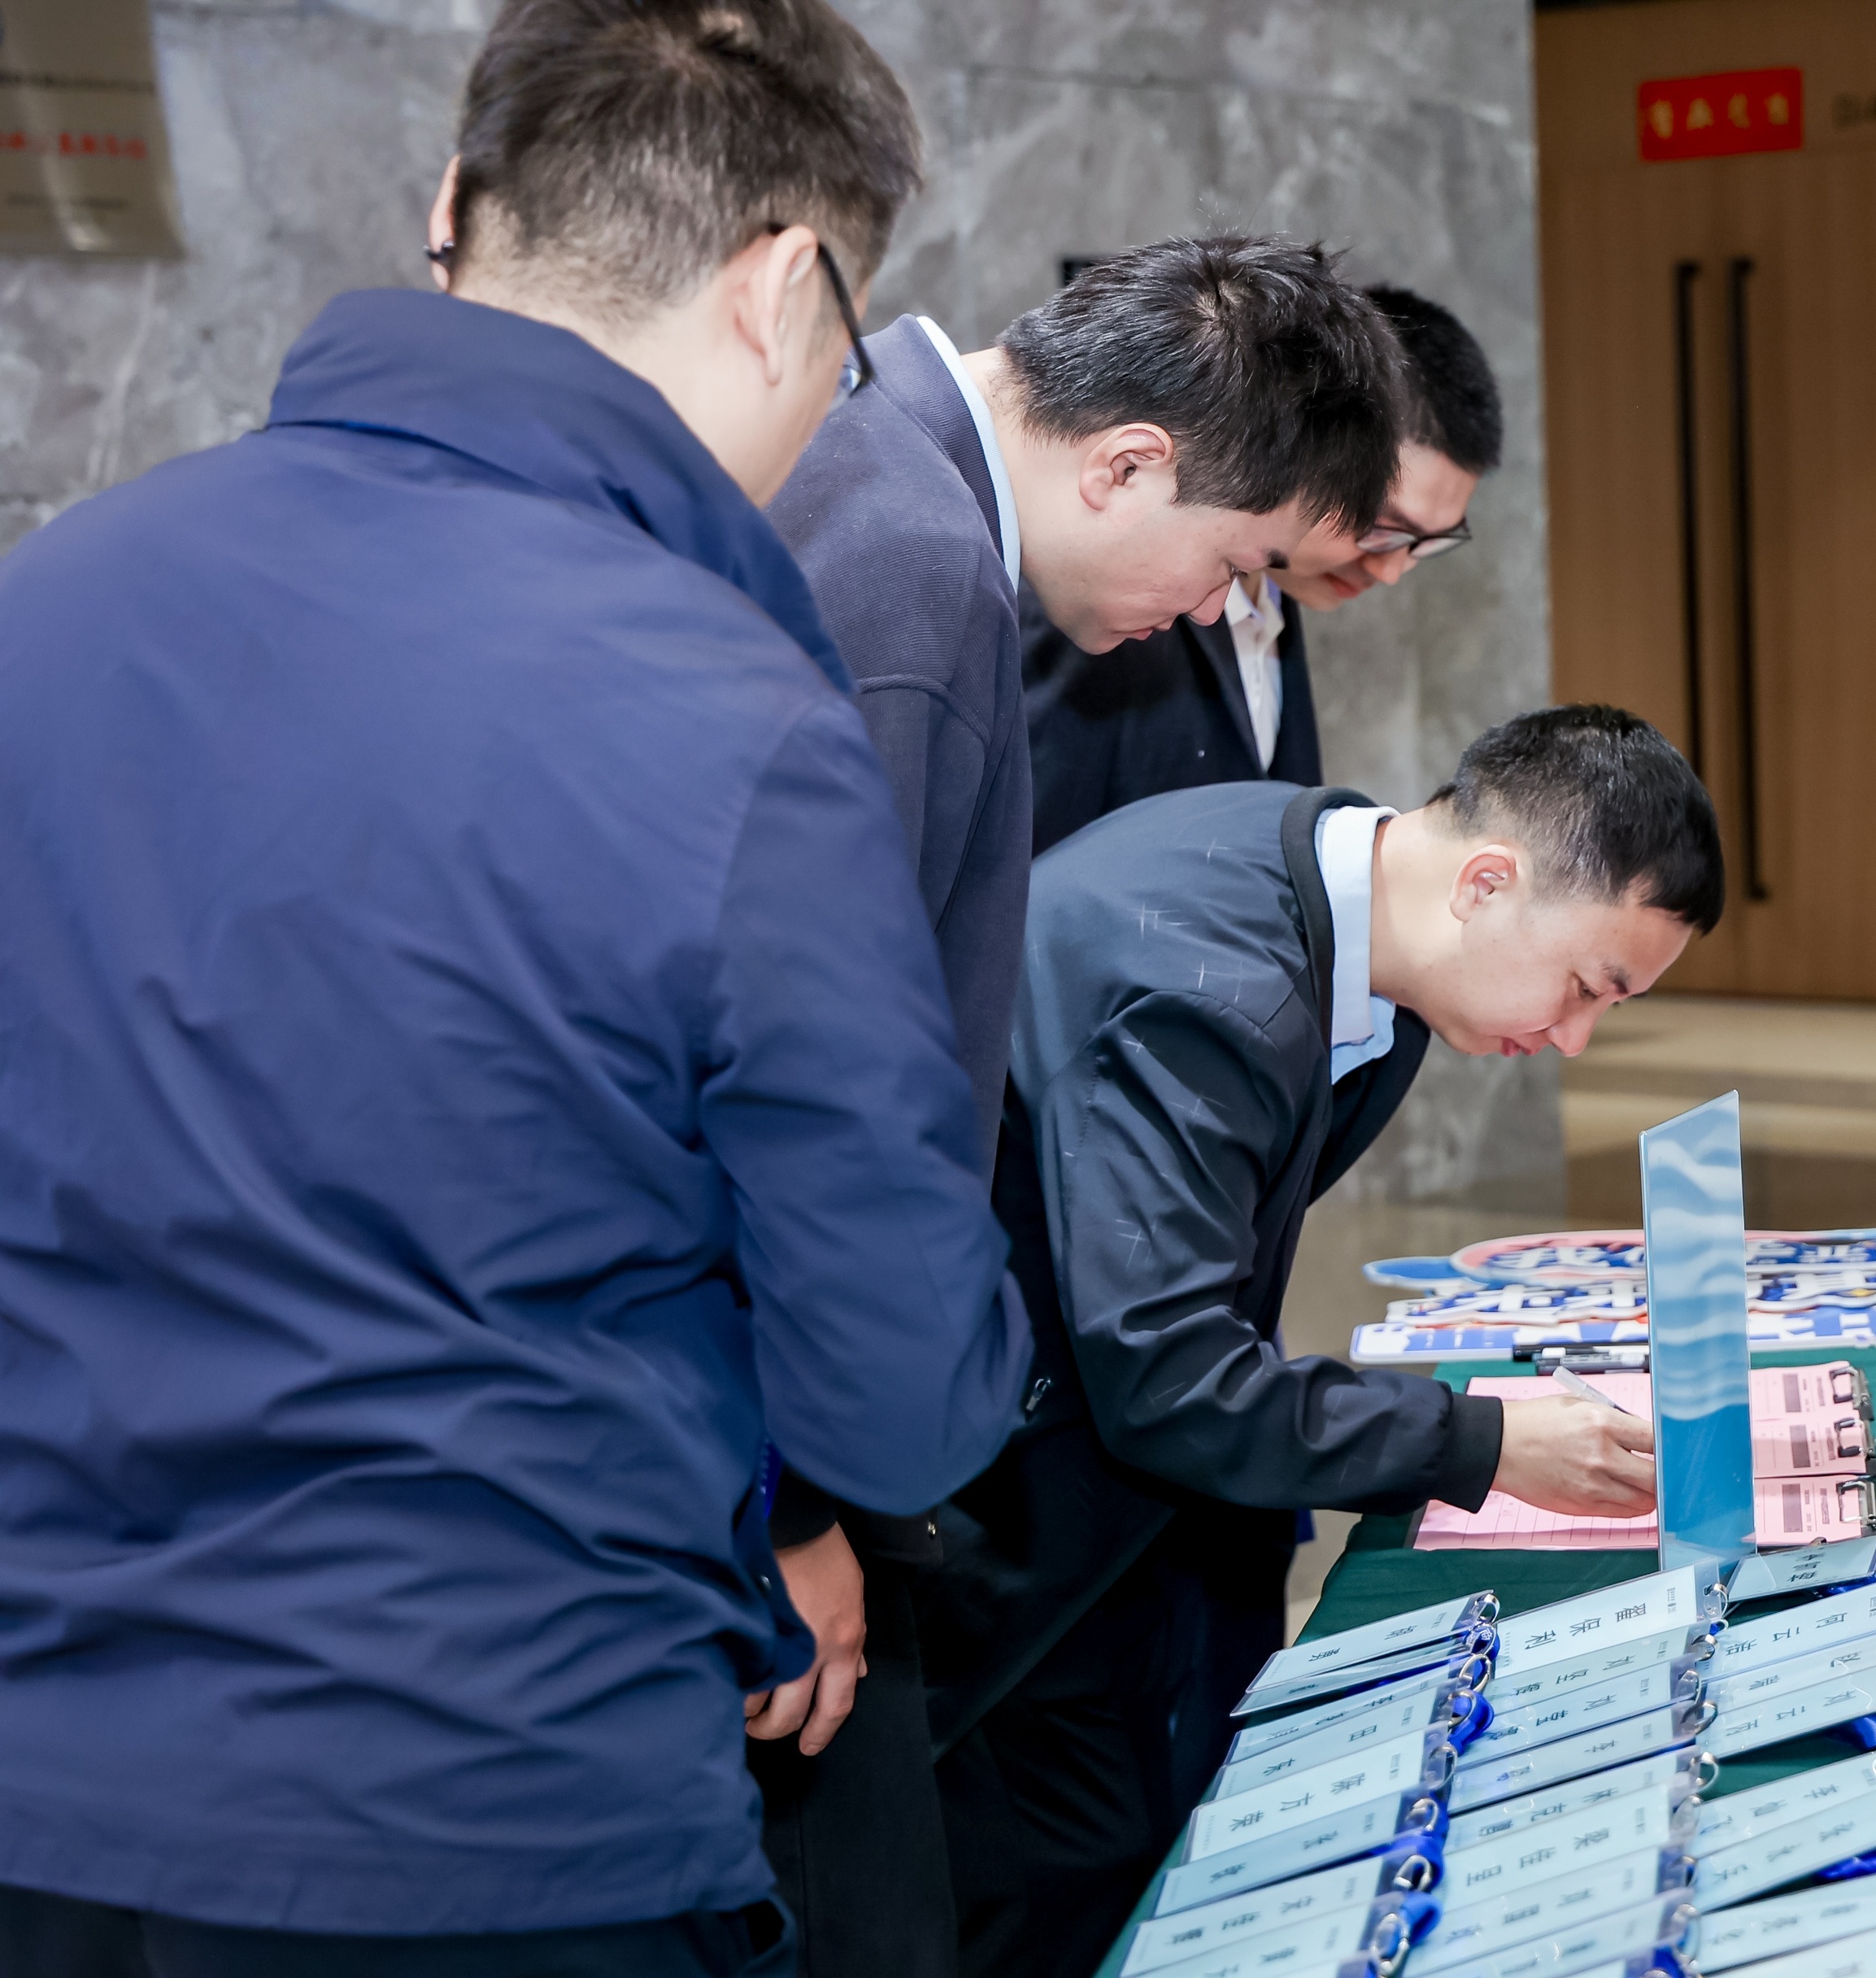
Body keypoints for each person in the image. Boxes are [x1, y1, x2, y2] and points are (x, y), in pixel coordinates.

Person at [0, 3, 1030, 1974]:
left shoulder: (53, 596)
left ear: (449, 207)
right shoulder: (731, 713)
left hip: (45, 1788)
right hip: (489, 1804)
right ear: (783, 290)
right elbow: (901, 1398)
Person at [747, 235, 1404, 1978]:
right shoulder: (908, 565)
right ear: (1126, 464)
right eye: (1232, 562)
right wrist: (793, 1502)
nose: (1208, 612)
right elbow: (804, 1074)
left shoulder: (894, 481)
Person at [926, 705, 1718, 1976]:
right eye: (1586, 986)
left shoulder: (1342, 893)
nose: (1572, 1039)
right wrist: (1484, 1441)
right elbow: (1170, 1372)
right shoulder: (1214, 988)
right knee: (1082, 1894)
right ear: (1486, 882)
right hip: (1011, 1535)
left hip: (1139, 1499)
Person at [1021, 285, 1505, 850]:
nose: (1391, 571)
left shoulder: (1278, 594)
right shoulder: (1108, 603)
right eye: (1380, 526)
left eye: (1425, 543)